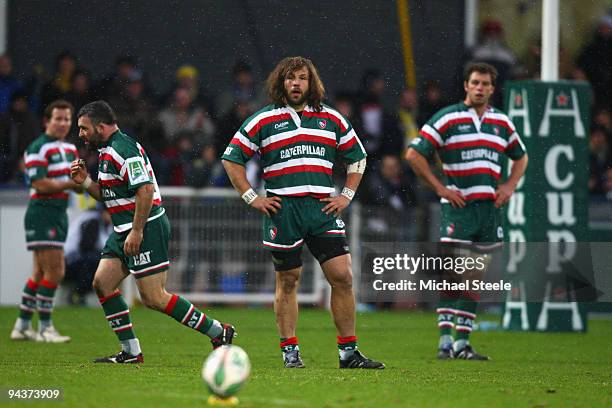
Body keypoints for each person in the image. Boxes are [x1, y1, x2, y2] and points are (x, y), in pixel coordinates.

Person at [222, 56, 384, 369]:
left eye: (302, 78)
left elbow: (358, 159)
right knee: (288, 280)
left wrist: (346, 195)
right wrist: (252, 197)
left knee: (343, 276)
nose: (296, 84)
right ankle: (290, 351)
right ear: (280, 83)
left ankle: (348, 353)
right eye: (290, 78)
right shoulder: (263, 119)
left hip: (322, 207)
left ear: (311, 83)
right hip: (283, 209)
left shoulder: (331, 119)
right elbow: (232, 159)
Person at [70, 100, 235, 363]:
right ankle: (131, 352)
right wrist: (86, 182)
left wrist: (137, 231)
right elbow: (108, 195)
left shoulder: (123, 150)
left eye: (83, 128)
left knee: (154, 297)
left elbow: (145, 190)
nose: (80, 134)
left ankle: (219, 331)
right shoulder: (106, 151)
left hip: (145, 226)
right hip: (123, 229)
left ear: (101, 127)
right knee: (102, 283)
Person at [406, 62, 528, 360]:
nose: (480, 88)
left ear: (492, 88)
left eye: (485, 84)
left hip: (488, 209)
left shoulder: (501, 121)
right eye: (475, 82)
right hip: (459, 209)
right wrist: (440, 188)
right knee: (453, 275)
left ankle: (462, 343)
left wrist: (510, 186)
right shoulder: (448, 117)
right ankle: (445, 341)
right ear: (466, 85)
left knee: (474, 277)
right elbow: (414, 154)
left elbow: (521, 157)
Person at [10, 99, 82, 342]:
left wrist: (82, 184)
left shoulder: (71, 150)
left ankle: (21, 326)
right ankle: (45, 328)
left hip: (59, 212)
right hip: (42, 211)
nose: (63, 123)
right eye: (58, 118)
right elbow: (39, 183)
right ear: (46, 121)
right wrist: (71, 184)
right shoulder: (37, 148)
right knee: (56, 270)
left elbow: (78, 184)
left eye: (67, 119)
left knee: (40, 272)